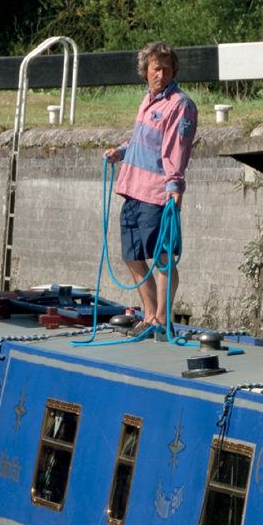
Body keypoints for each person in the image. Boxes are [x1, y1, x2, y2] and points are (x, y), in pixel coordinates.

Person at [103, 42, 198, 333]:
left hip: (157, 194)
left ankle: (161, 319)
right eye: (156, 68)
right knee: (131, 255)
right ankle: (149, 315)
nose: (162, 73)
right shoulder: (147, 100)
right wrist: (121, 150)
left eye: (167, 68)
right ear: (145, 72)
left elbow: (175, 150)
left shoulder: (181, 105)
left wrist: (174, 186)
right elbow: (143, 140)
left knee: (163, 258)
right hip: (132, 189)